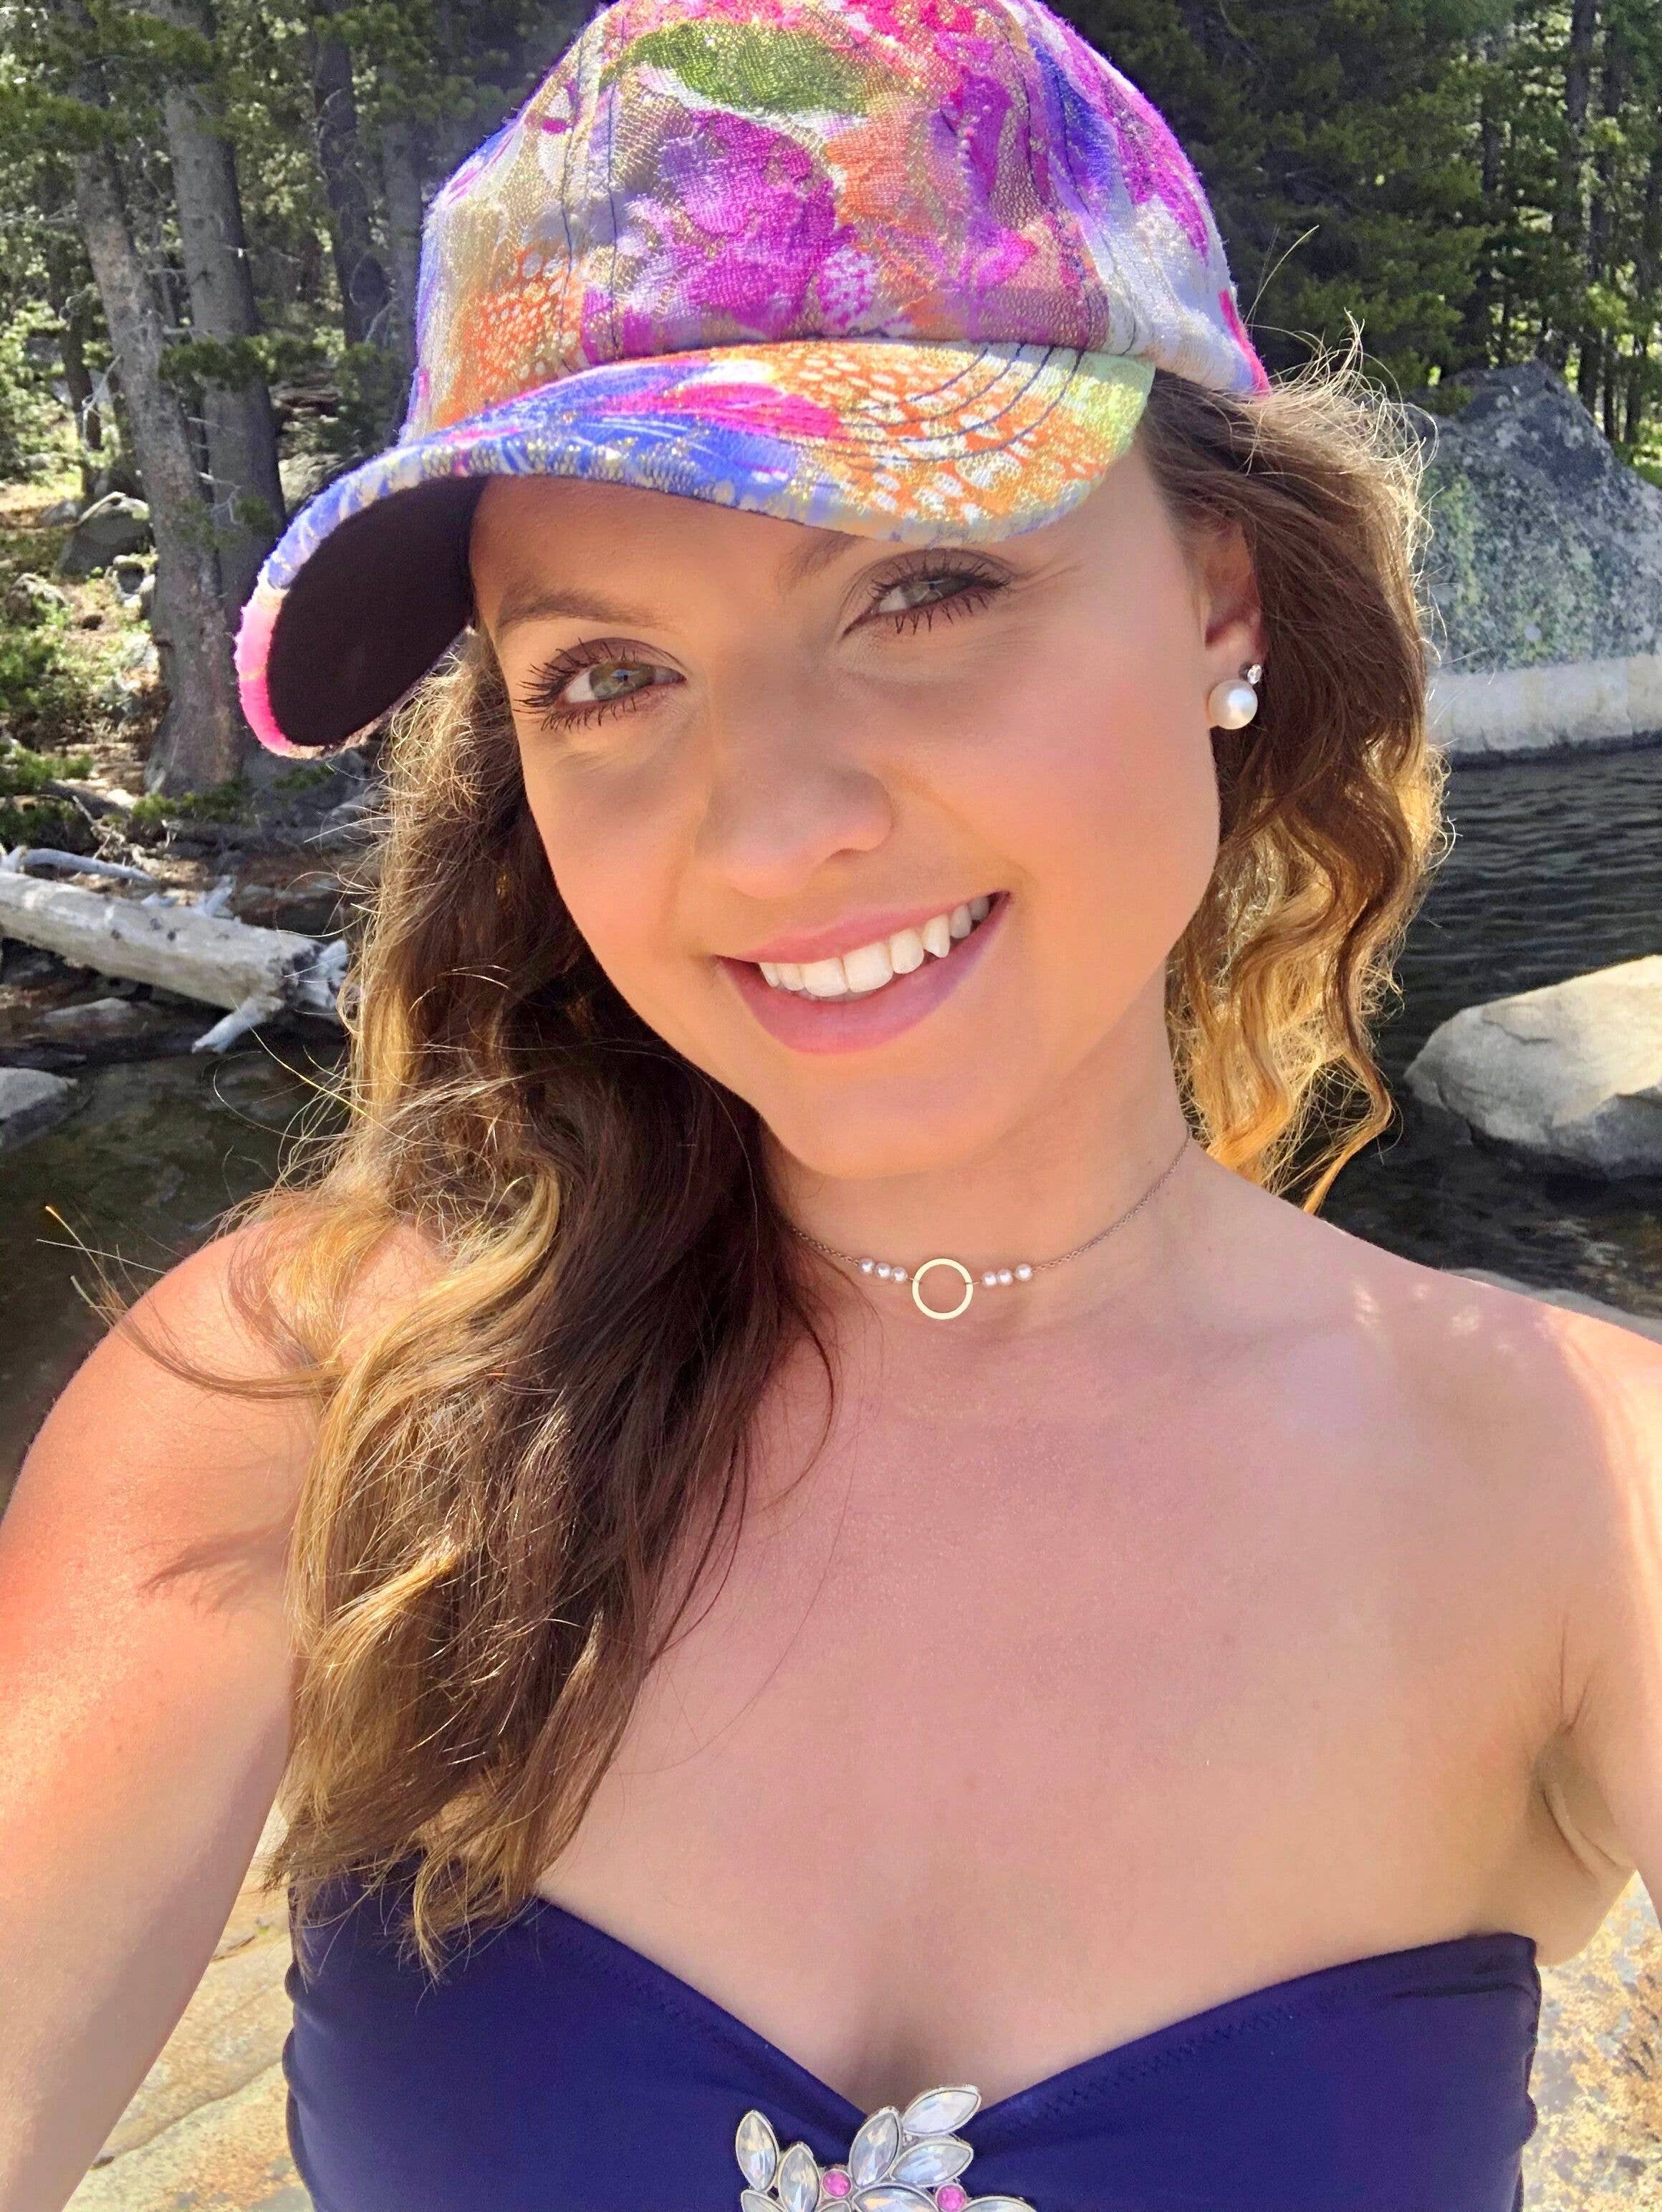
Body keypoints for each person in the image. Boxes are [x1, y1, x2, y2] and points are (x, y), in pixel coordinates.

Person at [3, 0, 1660, 2206]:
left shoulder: (1579, 1503)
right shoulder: (303, 1410)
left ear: (1219, 596)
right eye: (609, 674)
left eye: (922, 587)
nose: (774, 830)